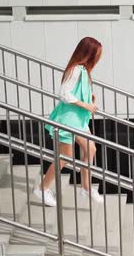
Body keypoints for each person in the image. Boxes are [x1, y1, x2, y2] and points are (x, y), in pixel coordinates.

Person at [32, 37, 104, 207]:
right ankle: (42, 188)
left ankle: (86, 187)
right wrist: (85, 104)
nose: (98, 58)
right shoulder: (76, 69)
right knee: (65, 156)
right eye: (97, 55)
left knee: (91, 149)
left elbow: (75, 92)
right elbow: (63, 94)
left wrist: (89, 97)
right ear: (88, 54)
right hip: (68, 120)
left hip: (77, 119)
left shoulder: (82, 70)